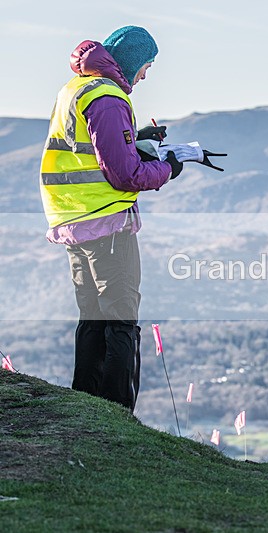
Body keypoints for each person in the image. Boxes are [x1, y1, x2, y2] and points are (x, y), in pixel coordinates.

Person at [39, 26, 183, 412]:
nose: (146, 74)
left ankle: (85, 405)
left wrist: (136, 140)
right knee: (121, 320)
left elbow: (93, 150)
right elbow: (124, 175)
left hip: (74, 219)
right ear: (133, 61)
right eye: (147, 65)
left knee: (92, 319)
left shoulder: (77, 87)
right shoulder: (108, 96)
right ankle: (119, 412)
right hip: (107, 221)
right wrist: (168, 167)